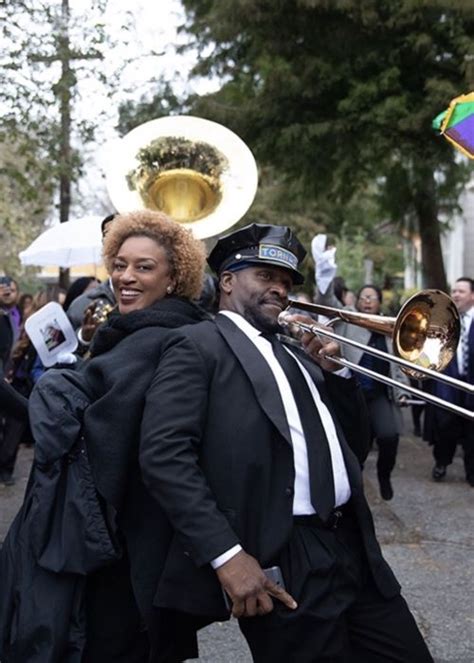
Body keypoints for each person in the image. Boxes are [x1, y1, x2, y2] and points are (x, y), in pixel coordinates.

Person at [138, 223, 432, 663]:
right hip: (286, 552)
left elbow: (353, 442)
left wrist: (337, 373)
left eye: (286, 281)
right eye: (265, 276)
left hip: (350, 542)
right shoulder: (197, 345)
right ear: (228, 281)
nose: (279, 288)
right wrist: (227, 556)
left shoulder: (298, 349)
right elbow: (164, 456)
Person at [0, 209, 208, 662]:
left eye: (143, 267)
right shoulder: (127, 333)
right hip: (116, 545)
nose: (125, 277)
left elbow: (91, 432)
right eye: (119, 264)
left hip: (134, 550)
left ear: (176, 277)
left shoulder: (173, 340)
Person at [312, 236, 409, 501]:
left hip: (378, 394)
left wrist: (403, 389)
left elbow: (398, 363)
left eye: (372, 297)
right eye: (364, 297)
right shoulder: (349, 317)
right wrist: (324, 272)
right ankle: (354, 485)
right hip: (352, 391)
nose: (367, 301)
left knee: (389, 437)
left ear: (379, 302)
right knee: (356, 443)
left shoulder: (391, 329)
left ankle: (384, 475)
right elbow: (325, 300)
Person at [425, 276, 474, 486]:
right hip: (448, 383)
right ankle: (441, 462)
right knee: (445, 425)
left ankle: (471, 472)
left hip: (471, 383)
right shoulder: (444, 319)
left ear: (472, 295)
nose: (455, 295)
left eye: (461, 291)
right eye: (454, 291)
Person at [66, 213, 117, 347]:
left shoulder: (157, 300)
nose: (117, 244)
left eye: (125, 236)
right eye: (109, 236)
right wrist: (84, 339)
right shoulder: (80, 306)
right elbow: (62, 360)